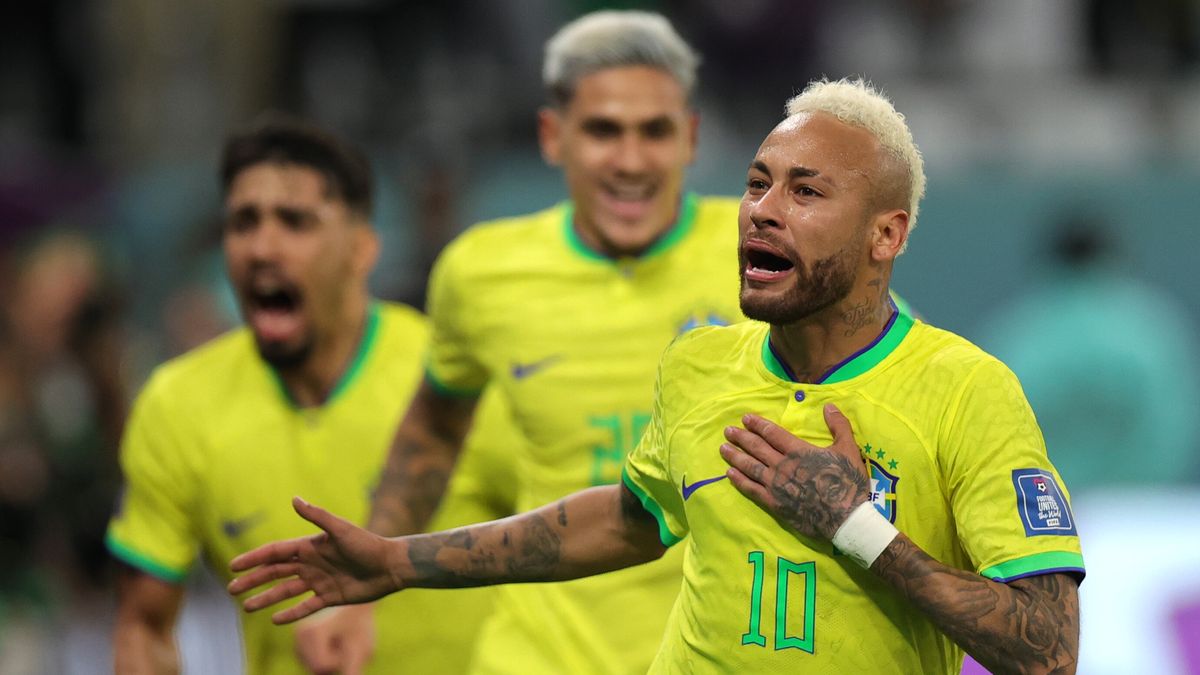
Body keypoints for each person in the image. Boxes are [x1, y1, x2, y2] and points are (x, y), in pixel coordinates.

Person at [229, 78, 1086, 674]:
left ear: (886, 235)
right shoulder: (701, 362)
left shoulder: (966, 390)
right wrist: (399, 561)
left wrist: (860, 529)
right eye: (757, 184)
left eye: (806, 191)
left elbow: (1047, 649)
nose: (763, 209)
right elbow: (630, 518)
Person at [295, 11, 746, 675]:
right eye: (602, 131)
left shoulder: (766, 252)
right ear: (552, 136)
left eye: (655, 131)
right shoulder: (481, 274)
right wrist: (361, 598)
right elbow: (435, 426)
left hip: (718, 656)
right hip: (539, 656)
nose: (630, 160)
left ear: (692, 138)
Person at [106, 115, 516, 674]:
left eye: (294, 221)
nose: (261, 248)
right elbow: (144, 626)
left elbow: (576, 557)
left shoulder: (455, 380)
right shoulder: (178, 405)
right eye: (243, 222)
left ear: (361, 249)